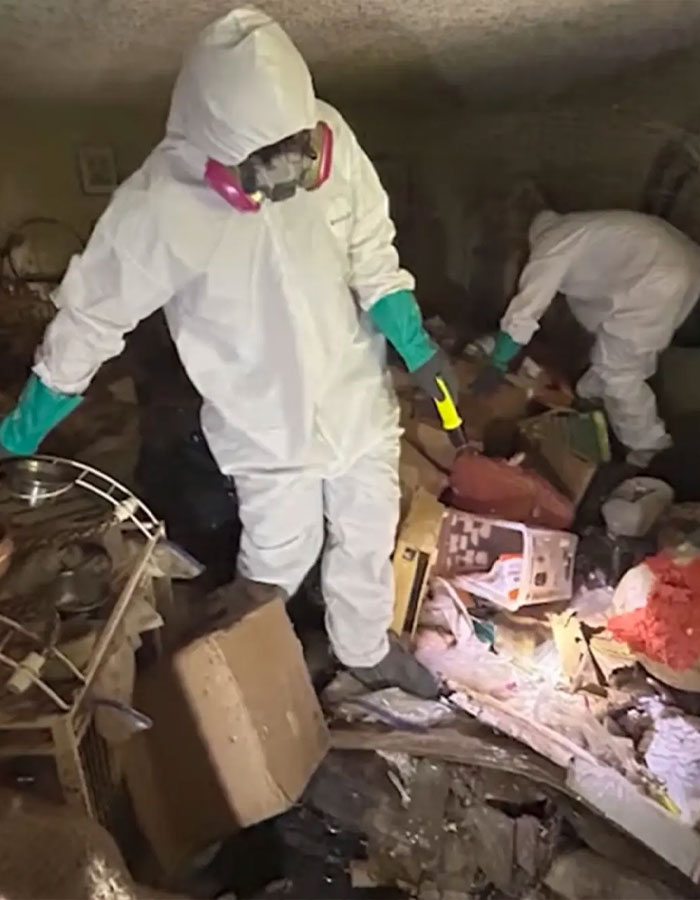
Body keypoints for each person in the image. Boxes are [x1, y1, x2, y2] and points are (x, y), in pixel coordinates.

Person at [0, 8, 457, 697]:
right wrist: (19, 433)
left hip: (355, 395)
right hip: (263, 421)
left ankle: (362, 650)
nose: (281, 184)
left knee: (367, 535)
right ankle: (246, 670)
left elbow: (373, 251)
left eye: (295, 161)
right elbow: (89, 321)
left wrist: (416, 346)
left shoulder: (327, 131)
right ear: (209, 140)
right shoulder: (155, 206)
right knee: (280, 553)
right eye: (261, 170)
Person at [473, 209, 700, 466]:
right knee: (624, 358)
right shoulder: (582, 230)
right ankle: (589, 403)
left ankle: (651, 452)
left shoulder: (551, 247)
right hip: (682, 263)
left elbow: (525, 310)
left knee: (619, 374)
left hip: (658, 280)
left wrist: (498, 361)